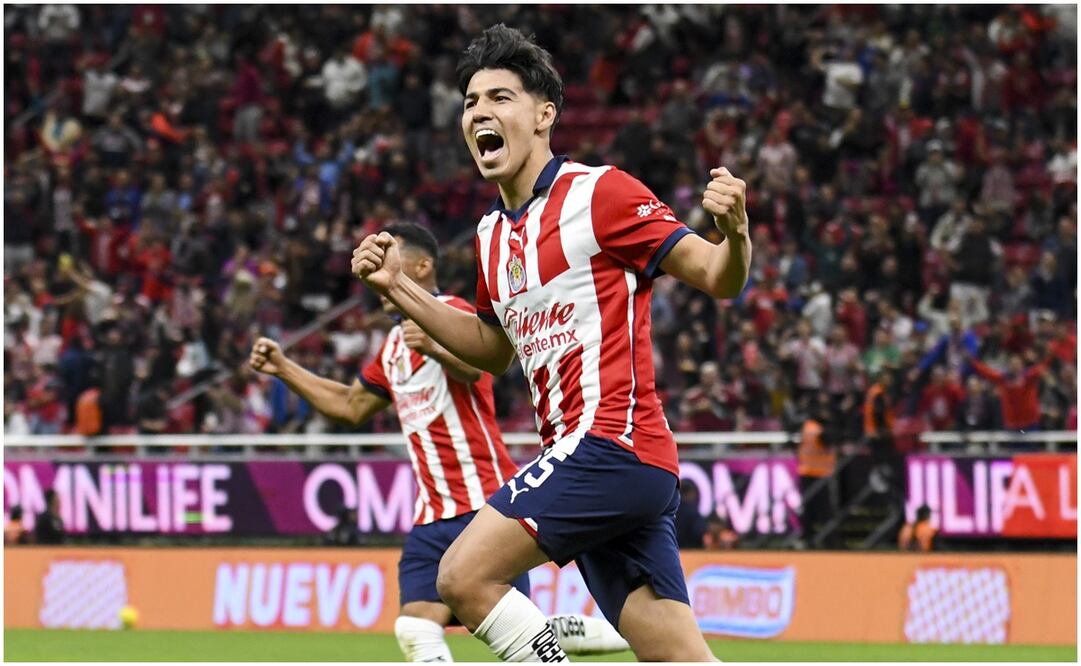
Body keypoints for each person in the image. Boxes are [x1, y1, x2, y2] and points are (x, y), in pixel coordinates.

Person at [351, 25, 751, 662]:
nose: (480, 111)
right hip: (614, 464)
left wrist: (736, 236)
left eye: (500, 98)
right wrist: (399, 289)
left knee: (462, 576)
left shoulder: (601, 194)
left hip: (609, 442)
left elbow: (715, 276)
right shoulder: (488, 235)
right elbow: (491, 349)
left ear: (545, 116)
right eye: (470, 102)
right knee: (678, 655)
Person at [251, 223, 627, 661]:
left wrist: (433, 345)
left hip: (481, 502)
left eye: (390, 253)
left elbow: (481, 369)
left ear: (423, 265)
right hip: (431, 514)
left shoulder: (454, 313)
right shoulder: (393, 343)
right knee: (415, 627)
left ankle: (623, 637)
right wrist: (283, 368)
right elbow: (350, 405)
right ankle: (589, 634)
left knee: (515, 634)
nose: (378, 262)